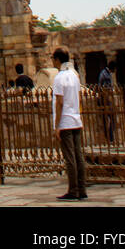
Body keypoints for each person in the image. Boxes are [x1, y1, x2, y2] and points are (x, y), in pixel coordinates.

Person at [52, 48, 88, 200]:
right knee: (78, 156)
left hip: (65, 122)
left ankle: (73, 191)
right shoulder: (74, 76)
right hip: (75, 119)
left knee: (70, 158)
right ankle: (82, 189)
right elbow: (79, 98)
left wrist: (57, 125)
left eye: (53, 58)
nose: (52, 61)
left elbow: (59, 103)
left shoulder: (59, 78)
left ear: (58, 59)